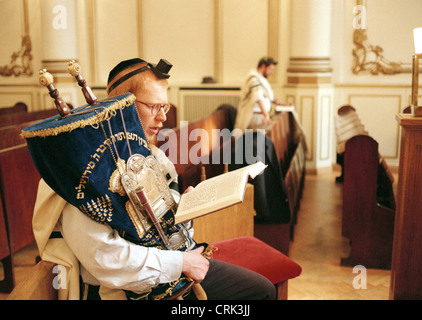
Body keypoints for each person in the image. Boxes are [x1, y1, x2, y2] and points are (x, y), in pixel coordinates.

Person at [30, 58, 276, 300]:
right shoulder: (81, 175)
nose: (163, 119)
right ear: (122, 105)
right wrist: (180, 263)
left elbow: (159, 230)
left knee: (261, 288)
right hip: (130, 291)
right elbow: (105, 260)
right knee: (261, 292)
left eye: (165, 107)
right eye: (154, 107)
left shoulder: (152, 156)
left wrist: (182, 210)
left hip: (171, 269)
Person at [234, 57, 290, 133]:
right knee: (256, 142)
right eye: (270, 69)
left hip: (260, 116)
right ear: (263, 66)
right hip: (255, 117)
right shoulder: (253, 78)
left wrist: (283, 105)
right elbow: (258, 97)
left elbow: (269, 96)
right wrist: (266, 115)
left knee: (260, 142)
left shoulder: (261, 79)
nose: (272, 72)